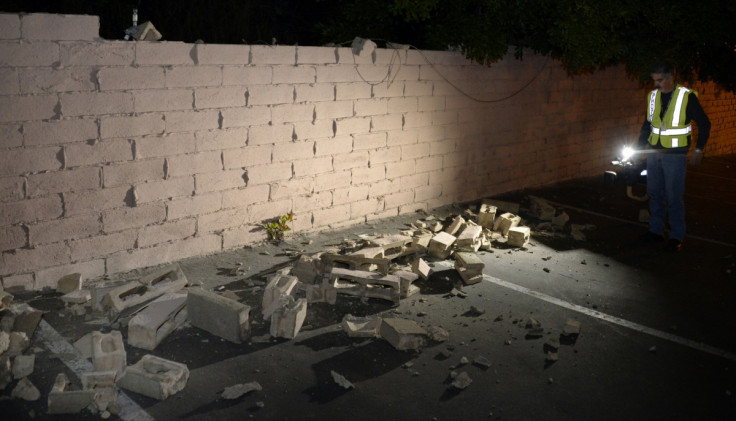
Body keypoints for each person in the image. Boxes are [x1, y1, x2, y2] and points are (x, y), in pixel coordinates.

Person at [637, 61, 711, 252]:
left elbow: (705, 123)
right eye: (654, 80)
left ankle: (676, 235)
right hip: (654, 153)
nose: (656, 85)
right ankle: (656, 232)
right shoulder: (652, 96)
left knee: (673, 196)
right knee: (654, 193)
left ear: (671, 78)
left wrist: (698, 150)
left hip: (675, 156)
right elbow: (647, 125)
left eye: (660, 80)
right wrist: (638, 149)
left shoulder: (686, 97)